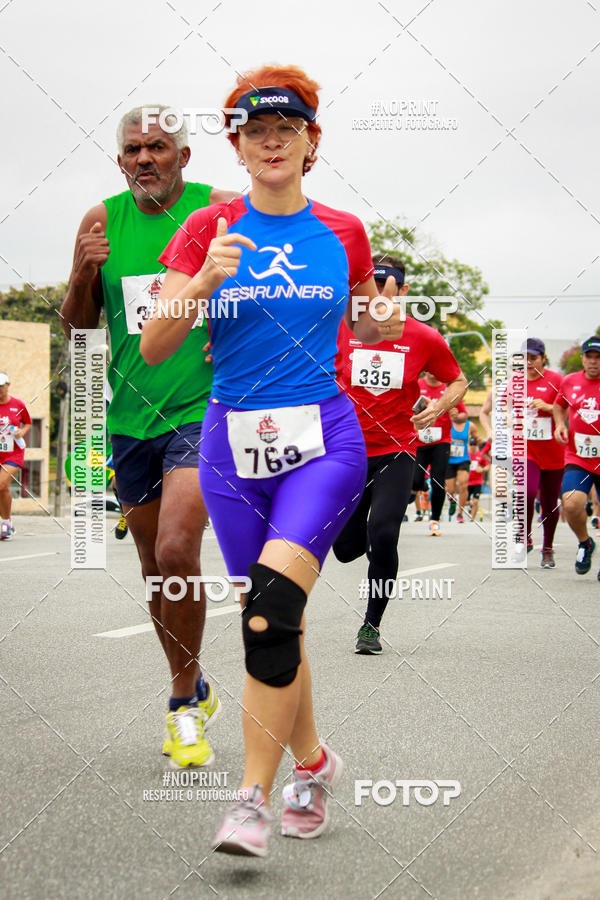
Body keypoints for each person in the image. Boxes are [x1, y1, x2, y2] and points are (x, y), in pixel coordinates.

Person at [141, 64, 406, 858]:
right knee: (275, 622)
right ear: (238, 148)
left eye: (286, 129)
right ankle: (314, 765)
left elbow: (370, 325)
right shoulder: (207, 229)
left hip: (324, 442)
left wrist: (384, 320)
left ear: (310, 143)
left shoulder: (345, 231)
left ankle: (251, 801)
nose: (271, 141)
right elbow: (154, 347)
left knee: (268, 611)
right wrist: (205, 280)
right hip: (231, 446)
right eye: (255, 131)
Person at [61, 105, 237, 768]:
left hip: (203, 409)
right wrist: (82, 274)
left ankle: (181, 704)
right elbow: (79, 329)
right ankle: (193, 680)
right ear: (120, 161)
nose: (144, 159)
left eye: (158, 147)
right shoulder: (100, 221)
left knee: (176, 546)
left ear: (182, 157)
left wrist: (241, 329)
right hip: (131, 419)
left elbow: (278, 281)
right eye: (133, 150)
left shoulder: (219, 209)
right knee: (154, 569)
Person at [333, 258, 467, 653]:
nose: (375, 291)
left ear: (403, 291)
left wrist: (439, 406)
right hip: (347, 449)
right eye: (368, 283)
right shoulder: (342, 326)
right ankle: (363, 536)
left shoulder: (423, 336)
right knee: (345, 549)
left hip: (396, 449)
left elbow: (458, 380)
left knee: (384, 533)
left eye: (384, 284)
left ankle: (371, 625)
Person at [553, 336, 600, 578]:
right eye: (589, 357)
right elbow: (558, 405)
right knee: (571, 503)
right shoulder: (570, 381)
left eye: (598, 358)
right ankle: (585, 543)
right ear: (582, 358)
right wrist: (560, 424)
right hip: (579, 456)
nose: (593, 362)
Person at [521, 338, 564, 566]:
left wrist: (549, 407)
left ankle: (547, 548)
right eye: (525, 358)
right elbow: (505, 407)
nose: (529, 362)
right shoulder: (515, 382)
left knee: (549, 503)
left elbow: (569, 409)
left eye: (534, 358)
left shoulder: (557, 380)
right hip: (527, 450)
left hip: (554, 451)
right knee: (526, 491)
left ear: (543, 358)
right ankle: (524, 537)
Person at [413, 371, 468, 536]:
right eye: (429, 369)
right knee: (415, 481)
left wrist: (456, 416)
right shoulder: (417, 385)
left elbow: (463, 414)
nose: (432, 373)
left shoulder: (449, 388)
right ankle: (423, 487)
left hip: (441, 442)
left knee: (438, 481)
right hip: (419, 441)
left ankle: (434, 520)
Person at [0, 372, 32, 540]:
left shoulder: (17, 404)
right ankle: (6, 522)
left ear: (8, 385)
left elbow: (28, 422)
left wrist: (21, 432)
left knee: (1, 484)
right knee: (2, 488)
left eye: (1, 386)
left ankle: (6, 522)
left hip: (13, 453)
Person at [445, 418, 477, 522]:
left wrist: (476, 445)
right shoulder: (447, 423)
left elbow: (477, 438)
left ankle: (460, 513)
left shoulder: (470, 425)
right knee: (450, 490)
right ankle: (452, 501)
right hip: (449, 460)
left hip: (463, 459)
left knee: (463, 485)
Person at [467, 436, 491, 521]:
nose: (473, 446)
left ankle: (472, 519)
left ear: (477, 445)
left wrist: (482, 469)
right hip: (467, 482)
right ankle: (470, 505)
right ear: (469, 445)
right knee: (465, 501)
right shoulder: (466, 454)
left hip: (477, 481)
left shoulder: (480, 455)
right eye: (471, 444)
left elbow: (488, 465)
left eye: (474, 444)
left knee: (476, 501)